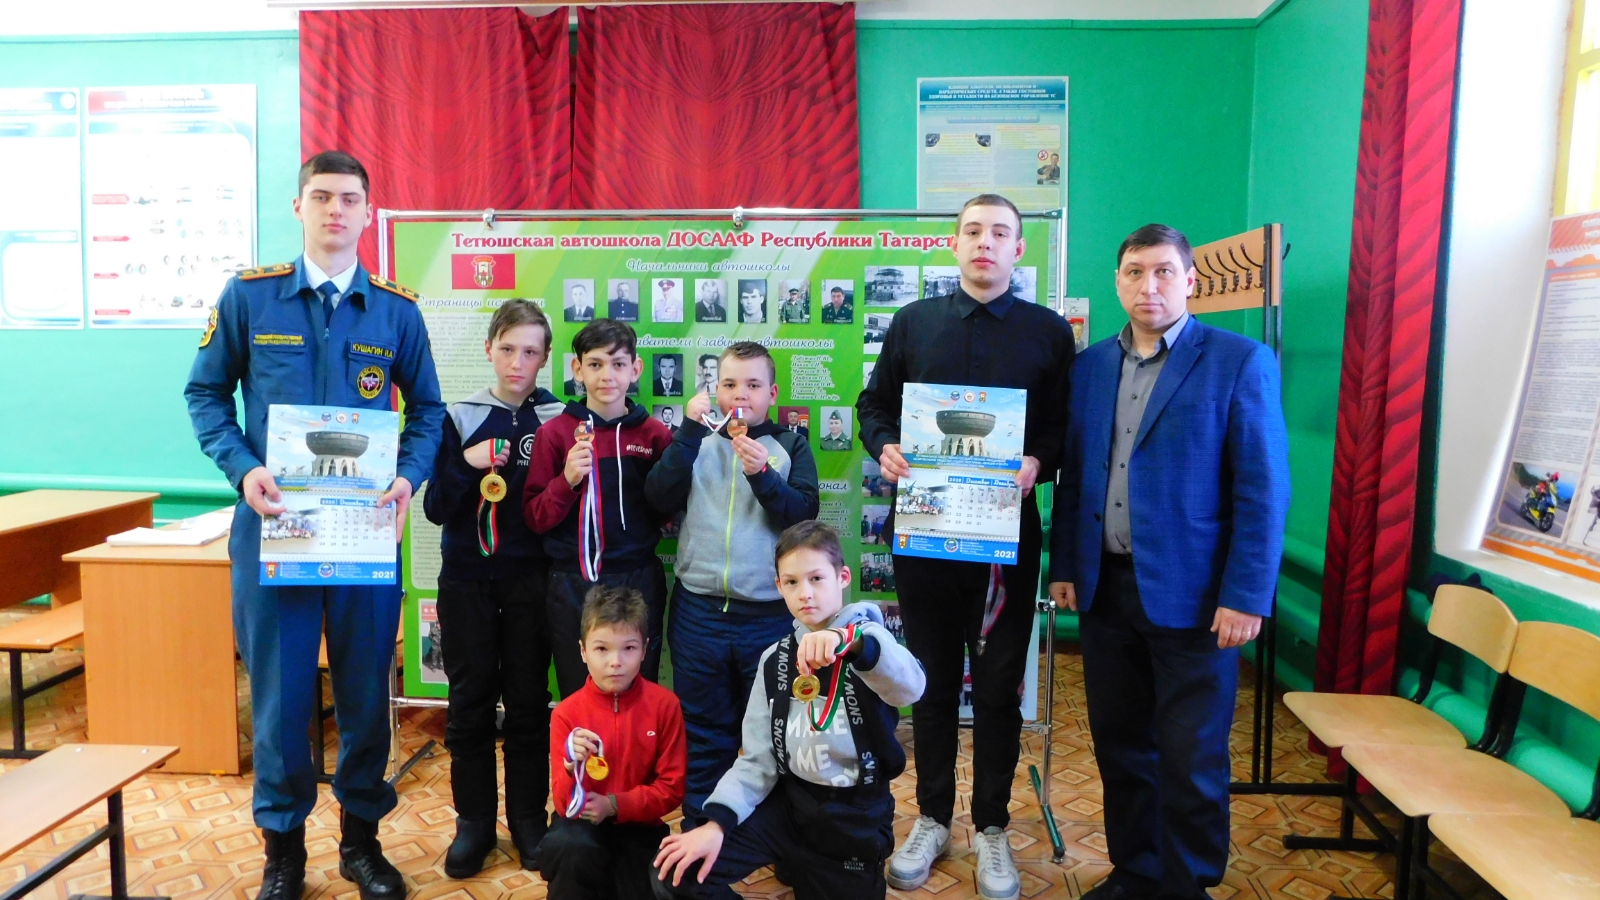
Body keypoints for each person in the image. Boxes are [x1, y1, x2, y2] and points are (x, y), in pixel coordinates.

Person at [185, 150, 445, 900]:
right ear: (299, 207)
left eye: (350, 199)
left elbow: (427, 410)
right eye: (323, 197)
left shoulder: (395, 311)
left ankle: (361, 845)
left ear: (368, 212)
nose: (336, 210)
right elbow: (206, 395)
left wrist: (407, 477)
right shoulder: (249, 297)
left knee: (364, 697)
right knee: (280, 701)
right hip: (274, 528)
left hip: (363, 535)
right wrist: (243, 469)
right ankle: (284, 854)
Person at [1048, 224, 1289, 900]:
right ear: (1118, 280)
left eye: (1162, 272)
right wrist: (1065, 563)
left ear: (1190, 281)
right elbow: (1076, 475)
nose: (1147, 286)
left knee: (1192, 756)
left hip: (1199, 598)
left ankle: (1187, 886)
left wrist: (1246, 595)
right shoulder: (1091, 366)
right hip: (1105, 591)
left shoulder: (1239, 361)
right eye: (1134, 272)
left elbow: (1264, 488)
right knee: (1121, 746)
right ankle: (1136, 872)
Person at [856, 193, 1073, 900]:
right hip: (926, 535)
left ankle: (992, 827)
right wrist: (885, 446)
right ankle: (932, 818)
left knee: (1001, 686)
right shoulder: (914, 322)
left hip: (1006, 539)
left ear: (1018, 249)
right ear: (954, 244)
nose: (985, 242)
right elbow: (873, 405)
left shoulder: (1047, 332)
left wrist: (1039, 460)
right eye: (973, 230)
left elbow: (1062, 427)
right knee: (932, 682)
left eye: (1000, 232)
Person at [654, 521, 925, 899]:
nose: (805, 593)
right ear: (779, 587)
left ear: (843, 577)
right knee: (676, 874)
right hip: (788, 807)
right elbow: (756, 761)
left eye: (816, 578)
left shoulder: (870, 641)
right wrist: (714, 823)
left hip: (854, 816)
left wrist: (851, 643)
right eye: (792, 582)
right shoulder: (774, 659)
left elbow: (912, 687)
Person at [644, 342, 820, 823]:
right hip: (698, 613)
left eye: (753, 385)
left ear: (772, 394)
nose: (740, 394)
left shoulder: (790, 446)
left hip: (769, 618)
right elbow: (657, 498)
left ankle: (771, 836)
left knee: (776, 732)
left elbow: (803, 518)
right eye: (729, 384)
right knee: (703, 733)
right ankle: (701, 832)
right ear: (714, 390)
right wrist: (687, 433)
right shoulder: (695, 439)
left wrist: (763, 475)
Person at [422, 300, 565, 876]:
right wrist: (466, 462)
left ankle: (529, 819)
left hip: (533, 580)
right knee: (469, 706)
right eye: (507, 349)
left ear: (546, 357)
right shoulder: (458, 417)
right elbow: (435, 508)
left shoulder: (560, 417)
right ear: (489, 349)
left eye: (530, 352)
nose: (517, 363)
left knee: (529, 705)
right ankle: (474, 824)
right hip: (467, 582)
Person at [524, 319, 674, 698]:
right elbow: (535, 517)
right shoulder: (554, 434)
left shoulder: (655, 435)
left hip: (638, 578)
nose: (607, 375)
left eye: (618, 364)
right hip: (573, 582)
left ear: (635, 369)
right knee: (580, 691)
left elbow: (669, 508)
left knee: (640, 689)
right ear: (577, 369)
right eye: (595, 364)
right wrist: (567, 480)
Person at [540, 585, 687, 899]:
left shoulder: (665, 706)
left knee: (658, 886)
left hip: (640, 827)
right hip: (582, 827)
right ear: (583, 651)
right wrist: (570, 767)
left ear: (645, 649)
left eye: (628, 648)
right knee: (569, 849)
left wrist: (615, 805)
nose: (615, 661)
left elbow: (672, 788)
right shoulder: (566, 714)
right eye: (602, 649)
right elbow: (564, 805)